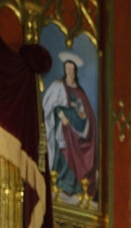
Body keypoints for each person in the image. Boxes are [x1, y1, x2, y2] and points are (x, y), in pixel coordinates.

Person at [43, 53, 97, 199]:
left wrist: (83, 116)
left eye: (72, 69)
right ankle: (62, 183)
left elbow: (87, 113)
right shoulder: (58, 86)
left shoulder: (80, 91)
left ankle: (75, 187)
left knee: (77, 153)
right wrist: (62, 116)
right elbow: (51, 107)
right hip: (63, 125)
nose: (70, 72)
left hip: (77, 128)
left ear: (75, 71)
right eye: (68, 69)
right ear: (65, 70)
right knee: (65, 151)